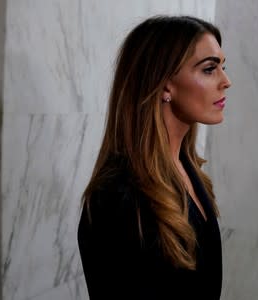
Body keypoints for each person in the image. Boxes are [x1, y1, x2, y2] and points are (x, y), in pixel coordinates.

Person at [77, 15, 231, 300]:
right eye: (210, 69)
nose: (226, 81)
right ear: (164, 84)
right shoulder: (119, 196)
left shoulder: (187, 169)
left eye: (223, 66)